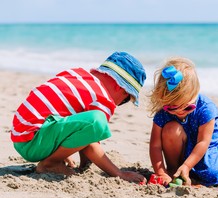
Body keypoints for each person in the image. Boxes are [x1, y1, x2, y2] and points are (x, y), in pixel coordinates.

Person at [11, 51, 147, 183]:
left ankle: (55, 158)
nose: (119, 104)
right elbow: (91, 138)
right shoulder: (103, 98)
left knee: (87, 123)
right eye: (126, 99)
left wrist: (66, 154)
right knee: (97, 121)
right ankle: (50, 164)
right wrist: (119, 173)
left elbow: (62, 113)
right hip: (34, 142)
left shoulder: (76, 75)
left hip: (22, 136)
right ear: (121, 89)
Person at [148, 57, 218, 187]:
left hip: (205, 150)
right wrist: (160, 172)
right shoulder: (163, 113)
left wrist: (187, 165)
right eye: (172, 108)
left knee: (214, 174)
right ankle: (174, 171)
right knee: (171, 129)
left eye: (187, 107)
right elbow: (155, 146)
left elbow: (203, 142)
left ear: (195, 93)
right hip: (180, 147)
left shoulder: (206, 108)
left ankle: (187, 172)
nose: (180, 112)